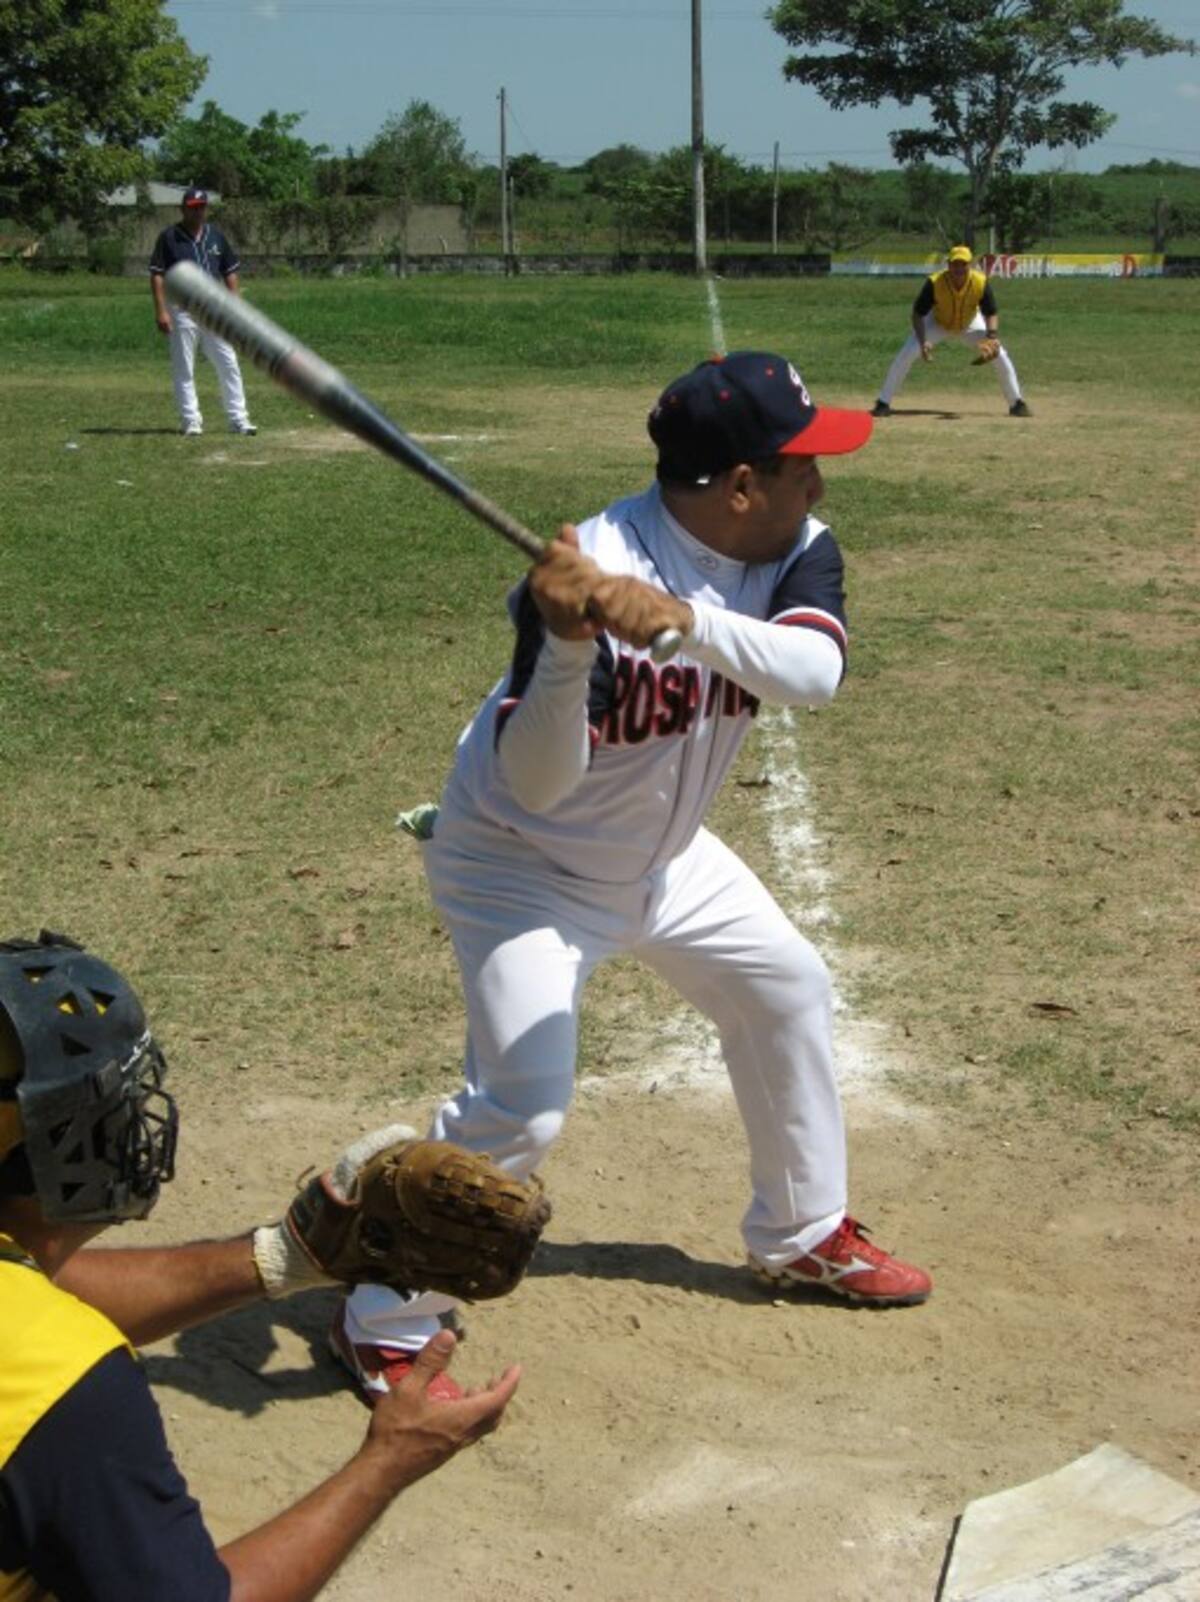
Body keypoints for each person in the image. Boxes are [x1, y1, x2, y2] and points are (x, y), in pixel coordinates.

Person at [332, 349, 932, 1403]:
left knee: (783, 986)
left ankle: (799, 1233)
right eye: (801, 465)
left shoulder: (797, 547)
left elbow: (816, 675)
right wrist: (569, 645)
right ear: (741, 485)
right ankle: (384, 1304)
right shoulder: (590, 567)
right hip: (523, 867)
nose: (820, 484)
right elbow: (539, 781)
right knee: (523, 1102)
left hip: (666, 857)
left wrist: (682, 621)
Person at [0, 931, 520, 1602]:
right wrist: (390, 1460)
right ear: (59, 1148)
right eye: (113, 1107)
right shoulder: (66, 1389)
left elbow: (33, 1297)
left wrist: (283, 1257)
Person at [870, 244, 1031, 418]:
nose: (959, 268)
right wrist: (923, 341)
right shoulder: (935, 282)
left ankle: (1017, 403)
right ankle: (883, 402)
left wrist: (991, 337)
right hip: (937, 322)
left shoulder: (980, 282)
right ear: (948, 265)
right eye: (955, 264)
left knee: (1000, 355)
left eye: (963, 264)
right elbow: (918, 314)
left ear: (970, 265)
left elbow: (991, 312)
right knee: (907, 353)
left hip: (969, 323)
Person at [150, 186, 258, 438]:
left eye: (201, 207)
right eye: (192, 207)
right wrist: (161, 311)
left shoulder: (216, 236)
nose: (197, 212)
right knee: (184, 366)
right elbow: (157, 275)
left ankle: (238, 419)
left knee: (227, 361)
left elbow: (229, 272)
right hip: (182, 308)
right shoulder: (169, 238)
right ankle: (191, 421)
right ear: (183, 209)